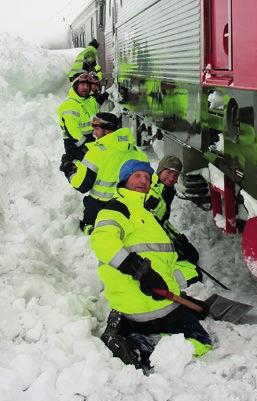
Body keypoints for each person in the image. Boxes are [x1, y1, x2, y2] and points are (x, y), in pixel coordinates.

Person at [90, 159, 212, 370]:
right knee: (202, 342)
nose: (143, 181)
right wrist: (140, 271)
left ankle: (126, 330)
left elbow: (160, 263)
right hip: (150, 304)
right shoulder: (116, 208)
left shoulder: (144, 214)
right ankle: (139, 347)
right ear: (125, 179)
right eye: (137, 175)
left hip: (145, 300)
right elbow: (102, 241)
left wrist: (183, 300)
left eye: (147, 177)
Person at [62, 112, 149, 234]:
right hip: (129, 206)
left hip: (101, 207)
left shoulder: (97, 152)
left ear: (107, 130)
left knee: (88, 227)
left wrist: (69, 170)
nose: (94, 133)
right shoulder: (138, 152)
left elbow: (82, 185)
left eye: (96, 129)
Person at [145, 155, 201, 286]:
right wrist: (171, 244)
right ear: (160, 170)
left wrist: (179, 238)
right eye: (168, 172)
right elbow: (148, 226)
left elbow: (162, 222)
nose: (171, 178)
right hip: (147, 245)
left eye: (175, 175)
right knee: (194, 275)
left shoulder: (165, 190)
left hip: (156, 239)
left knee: (193, 256)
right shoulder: (151, 192)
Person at [57, 73, 99, 162]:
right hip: (75, 145)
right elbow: (72, 131)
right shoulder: (68, 105)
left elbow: (97, 120)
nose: (85, 88)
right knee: (84, 172)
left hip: (91, 141)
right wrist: (84, 146)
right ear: (76, 86)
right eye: (82, 85)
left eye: (87, 85)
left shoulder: (91, 101)